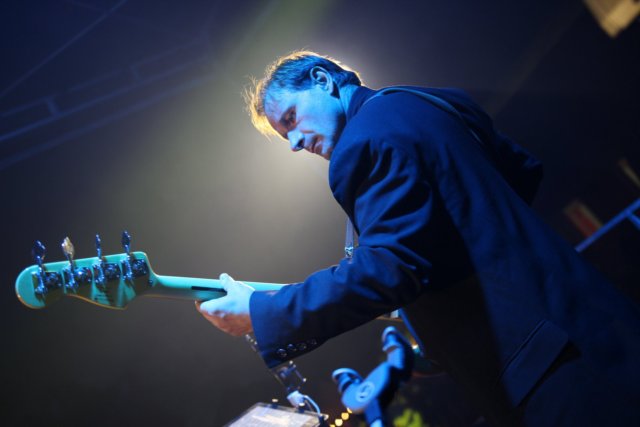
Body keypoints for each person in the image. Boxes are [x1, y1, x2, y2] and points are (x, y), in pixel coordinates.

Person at [195, 51, 640, 426]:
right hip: (593, 323)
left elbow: (388, 268)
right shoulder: (430, 102)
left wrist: (262, 312)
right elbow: (520, 173)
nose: (293, 142)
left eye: (291, 118)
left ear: (322, 80)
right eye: (284, 135)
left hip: (546, 372)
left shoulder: (361, 144)